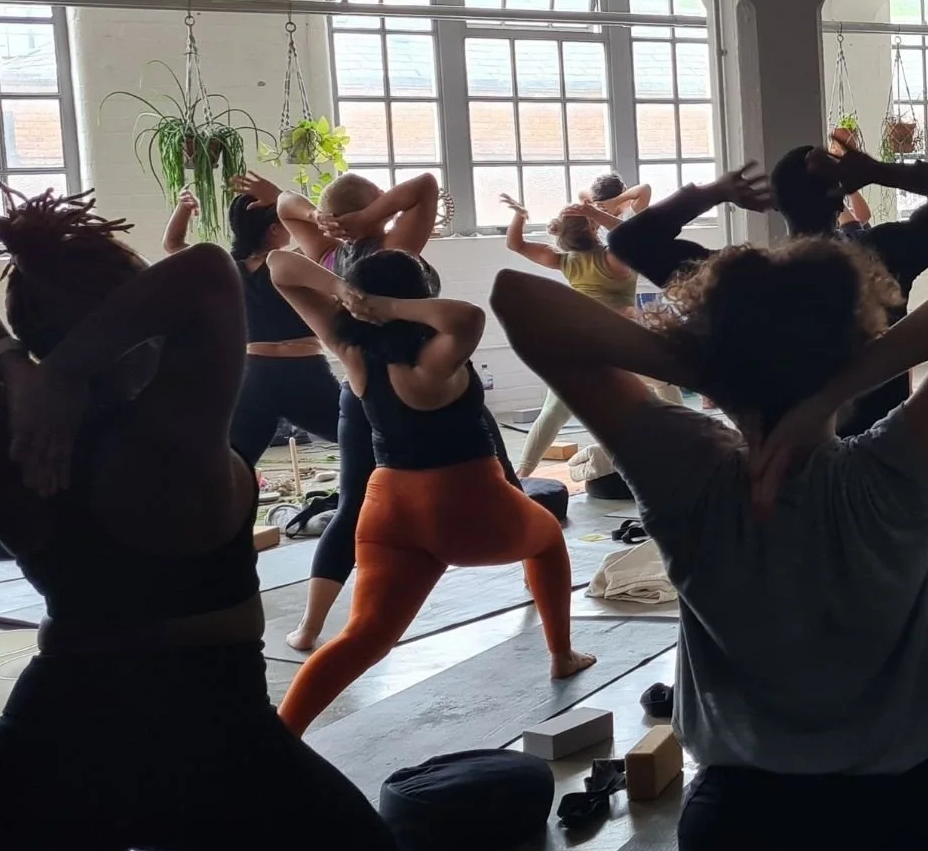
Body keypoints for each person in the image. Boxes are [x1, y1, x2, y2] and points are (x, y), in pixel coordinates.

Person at [491, 231, 928, 851]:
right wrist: (829, 387)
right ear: (852, 346)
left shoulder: (687, 466)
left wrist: (725, 377)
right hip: (899, 827)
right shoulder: (899, 467)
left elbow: (517, 300)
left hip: (745, 837)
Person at [0, 187, 445, 851]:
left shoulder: (4, 433)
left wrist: (14, 369)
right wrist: (69, 369)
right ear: (129, 325)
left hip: (50, 744)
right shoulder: (171, 433)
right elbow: (208, 274)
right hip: (202, 739)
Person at [267, 248, 596, 733]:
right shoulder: (434, 360)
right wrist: (389, 306)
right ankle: (562, 655)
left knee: (364, 636)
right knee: (546, 539)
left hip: (388, 513)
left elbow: (280, 265)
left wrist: (345, 295)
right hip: (467, 504)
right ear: (419, 296)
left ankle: (281, 734)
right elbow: (469, 316)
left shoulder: (352, 350)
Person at [271, 169, 516, 653]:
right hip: (426, 373)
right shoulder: (391, 247)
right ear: (377, 210)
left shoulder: (324, 252)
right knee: (500, 476)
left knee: (353, 505)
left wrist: (326, 231)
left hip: (363, 383)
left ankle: (309, 627)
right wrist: (365, 222)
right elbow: (424, 187)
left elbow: (283, 215)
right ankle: (535, 562)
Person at [608, 144, 928, 437]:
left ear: (777, 204)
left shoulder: (740, 279)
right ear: (840, 197)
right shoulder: (882, 258)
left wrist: (714, 192)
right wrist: (880, 172)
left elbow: (628, 240)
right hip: (878, 448)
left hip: (784, 457)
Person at [161, 184, 345, 470]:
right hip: (305, 373)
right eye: (283, 223)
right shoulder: (294, 262)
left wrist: (183, 208)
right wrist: (282, 198)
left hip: (254, 376)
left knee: (233, 465)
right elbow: (325, 232)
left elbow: (173, 245)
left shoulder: (225, 267)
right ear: (273, 228)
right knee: (362, 438)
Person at [496, 190, 674, 478]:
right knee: (665, 384)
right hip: (617, 340)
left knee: (553, 412)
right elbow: (632, 232)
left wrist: (520, 216)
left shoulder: (564, 261)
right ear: (593, 228)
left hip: (576, 342)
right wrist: (595, 213)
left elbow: (515, 244)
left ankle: (522, 474)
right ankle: (693, 442)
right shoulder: (614, 259)